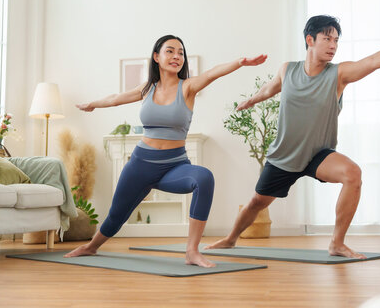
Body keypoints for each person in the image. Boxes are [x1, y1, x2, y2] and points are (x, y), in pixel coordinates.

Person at [207, 15, 380, 258]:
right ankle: (230, 239)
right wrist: (252, 100)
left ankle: (337, 243)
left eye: (336, 40)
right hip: (284, 155)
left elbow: (374, 60)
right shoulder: (288, 70)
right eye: (327, 39)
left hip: (318, 154)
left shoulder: (339, 74)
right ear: (310, 40)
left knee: (352, 174)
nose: (333, 45)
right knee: (256, 203)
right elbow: (270, 88)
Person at [64, 34, 267, 267]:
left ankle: (192, 251)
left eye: (180, 52)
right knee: (116, 217)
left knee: (204, 178)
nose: (176, 56)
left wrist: (240, 62)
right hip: (140, 165)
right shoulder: (147, 88)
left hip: (174, 166)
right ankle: (91, 247)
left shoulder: (188, 87)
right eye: (170, 51)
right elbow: (116, 98)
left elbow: (212, 73)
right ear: (156, 57)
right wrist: (92, 104)